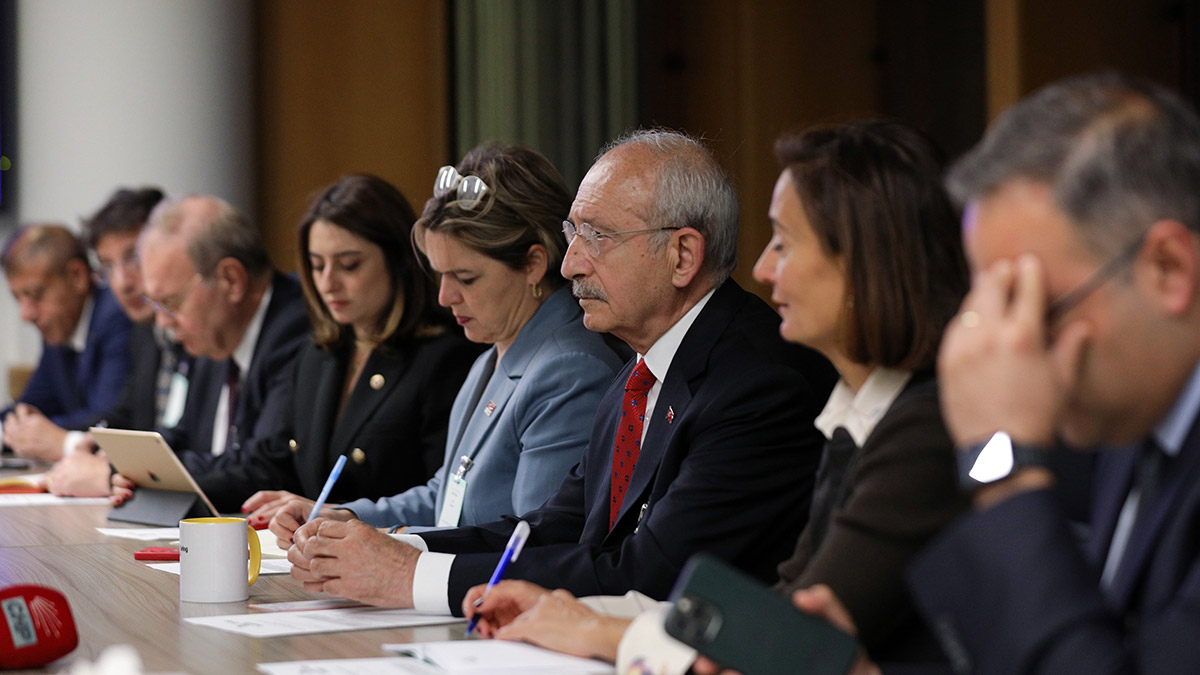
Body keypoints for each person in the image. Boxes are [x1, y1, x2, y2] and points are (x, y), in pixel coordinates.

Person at [462, 120, 970, 671]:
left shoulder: (917, 427)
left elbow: (793, 640)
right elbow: (782, 601)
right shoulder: (861, 411)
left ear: (869, 266)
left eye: (784, 241)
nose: (763, 267)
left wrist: (596, 629)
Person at [285, 129, 835, 616]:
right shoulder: (641, 368)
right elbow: (554, 525)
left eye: (596, 237)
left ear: (682, 256)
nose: (569, 262)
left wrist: (409, 577)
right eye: (572, 234)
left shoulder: (755, 384)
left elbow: (647, 576)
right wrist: (401, 549)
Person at [893, 72, 1200, 673]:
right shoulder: (1121, 424)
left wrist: (1005, 471)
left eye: (1039, 309)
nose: (1016, 351)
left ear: (1168, 268)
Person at [265, 146, 627, 536]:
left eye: (465, 278)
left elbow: (533, 541)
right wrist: (347, 517)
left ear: (533, 264)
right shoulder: (495, 350)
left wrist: (390, 543)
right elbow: (446, 498)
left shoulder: (570, 370)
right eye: (440, 275)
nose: (445, 297)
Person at [233, 173, 480, 523]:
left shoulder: (445, 357)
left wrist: (336, 515)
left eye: (349, 265)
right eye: (317, 266)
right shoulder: (318, 354)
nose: (328, 283)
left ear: (398, 260)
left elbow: (443, 503)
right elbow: (277, 465)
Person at [114, 195, 309, 512]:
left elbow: (265, 469)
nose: (163, 322)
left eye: (172, 303)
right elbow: (179, 437)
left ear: (231, 280)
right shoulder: (213, 333)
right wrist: (132, 472)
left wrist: (155, 478)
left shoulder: (299, 332)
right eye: (156, 305)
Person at [44, 187, 197, 497]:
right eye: (108, 266)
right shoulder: (143, 331)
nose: (123, 282)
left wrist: (109, 473)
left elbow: (192, 442)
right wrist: (92, 440)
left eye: (134, 257)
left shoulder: (201, 331)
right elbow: (126, 414)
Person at [2, 224, 131, 461]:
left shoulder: (117, 316)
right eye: (18, 298)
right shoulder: (60, 331)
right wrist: (12, 429)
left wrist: (41, 433)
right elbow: (32, 405)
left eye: (36, 295)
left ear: (77, 277)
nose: (26, 314)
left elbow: (111, 418)